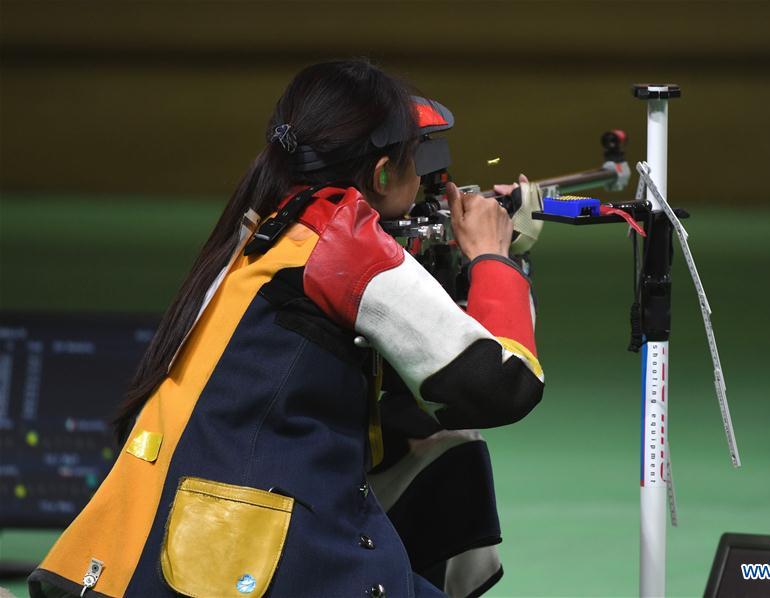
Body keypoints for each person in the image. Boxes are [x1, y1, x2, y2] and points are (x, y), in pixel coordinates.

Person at [28, 59, 544, 598]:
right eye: (421, 162)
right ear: (383, 171)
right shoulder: (344, 239)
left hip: (149, 555)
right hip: (236, 557)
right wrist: (496, 259)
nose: (430, 180)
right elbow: (498, 385)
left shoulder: (270, 222)